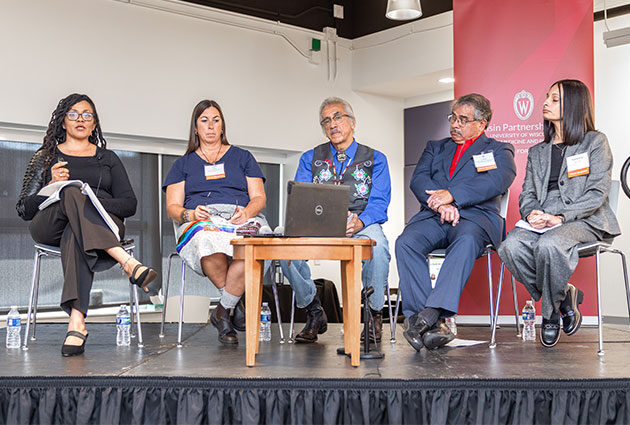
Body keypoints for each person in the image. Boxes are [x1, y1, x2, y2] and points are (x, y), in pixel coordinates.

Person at [16, 93, 156, 357]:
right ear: (63, 122)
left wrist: (91, 203)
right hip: (49, 226)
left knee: (76, 229)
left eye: (87, 115)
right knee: (71, 191)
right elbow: (23, 209)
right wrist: (49, 186)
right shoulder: (45, 157)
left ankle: (76, 323)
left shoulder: (109, 158)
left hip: (97, 226)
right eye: (73, 114)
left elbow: (129, 205)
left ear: (94, 124)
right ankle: (126, 261)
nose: (80, 119)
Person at [497, 80, 620, 347]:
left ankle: (550, 315)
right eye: (547, 97)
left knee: (550, 245)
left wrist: (561, 217)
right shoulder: (538, 151)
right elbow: (528, 193)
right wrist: (531, 214)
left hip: (585, 217)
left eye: (555, 99)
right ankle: (564, 297)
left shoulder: (595, 142)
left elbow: (597, 193)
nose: (545, 103)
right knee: (510, 247)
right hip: (542, 218)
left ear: (574, 105)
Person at [396, 93, 516, 351]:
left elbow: (498, 180)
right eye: (453, 118)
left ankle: (428, 316)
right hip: (434, 216)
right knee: (406, 242)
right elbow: (418, 180)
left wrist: (454, 197)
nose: (455, 125)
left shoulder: (498, 149)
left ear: (482, 123)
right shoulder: (436, 146)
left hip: (475, 218)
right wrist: (442, 204)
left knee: (466, 240)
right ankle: (428, 320)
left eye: (463, 119)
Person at [280, 97, 392, 343]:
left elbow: (380, 202)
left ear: (352, 123)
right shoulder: (311, 157)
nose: (332, 124)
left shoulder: (376, 158)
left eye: (338, 117)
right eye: (326, 121)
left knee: (380, 248)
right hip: (318, 221)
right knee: (283, 246)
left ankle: (373, 316)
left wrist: (360, 222)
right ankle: (313, 309)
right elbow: (301, 195)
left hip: (361, 221)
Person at [163, 99, 267, 345]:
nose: (210, 126)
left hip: (240, 216)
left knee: (253, 245)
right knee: (205, 239)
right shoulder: (183, 164)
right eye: (204, 120)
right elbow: (172, 208)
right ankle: (234, 304)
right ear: (195, 128)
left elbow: (259, 198)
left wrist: (247, 212)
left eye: (216, 120)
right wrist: (190, 214)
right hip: (203, 218)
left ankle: (222, 311)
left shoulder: (243, 157)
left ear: (223, 126)